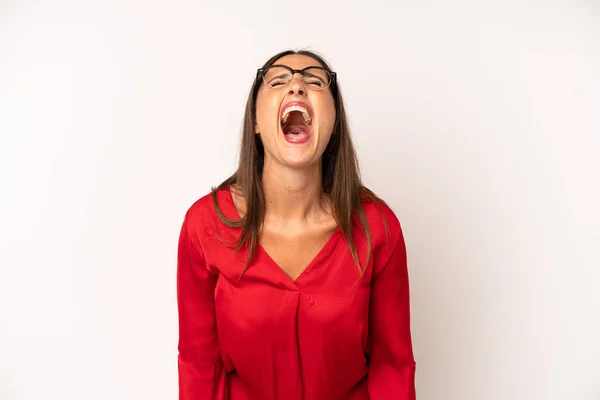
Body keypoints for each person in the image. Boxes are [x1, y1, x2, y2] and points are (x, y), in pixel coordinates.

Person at [176, 49, 416, 400]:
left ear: (333, 122)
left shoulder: (378, 228)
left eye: (315, 81)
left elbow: (393, 366)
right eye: (278, 81)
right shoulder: (205, 226)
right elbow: (200, 367)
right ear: (256, 121)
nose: (297, 86)